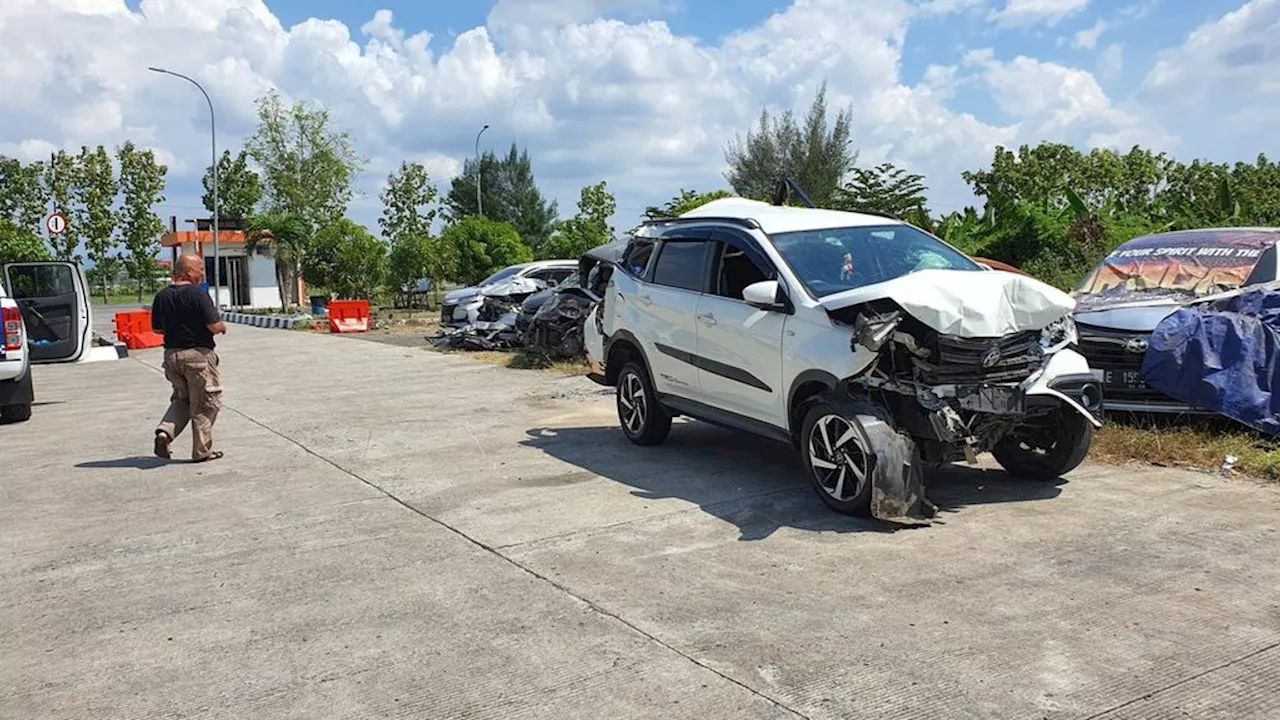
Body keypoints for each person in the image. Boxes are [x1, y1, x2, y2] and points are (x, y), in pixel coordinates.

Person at [151, 254, 227, 462]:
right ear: (187, 271)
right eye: (200, 269)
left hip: (171, 356)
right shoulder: (199, 295)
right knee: (204, 404)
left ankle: (164, 432)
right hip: (198, 357)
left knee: (182, 400)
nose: (202, 273)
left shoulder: (162, 296)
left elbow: (157, 329)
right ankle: (202, 451)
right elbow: (213, 325)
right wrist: (222, 327)